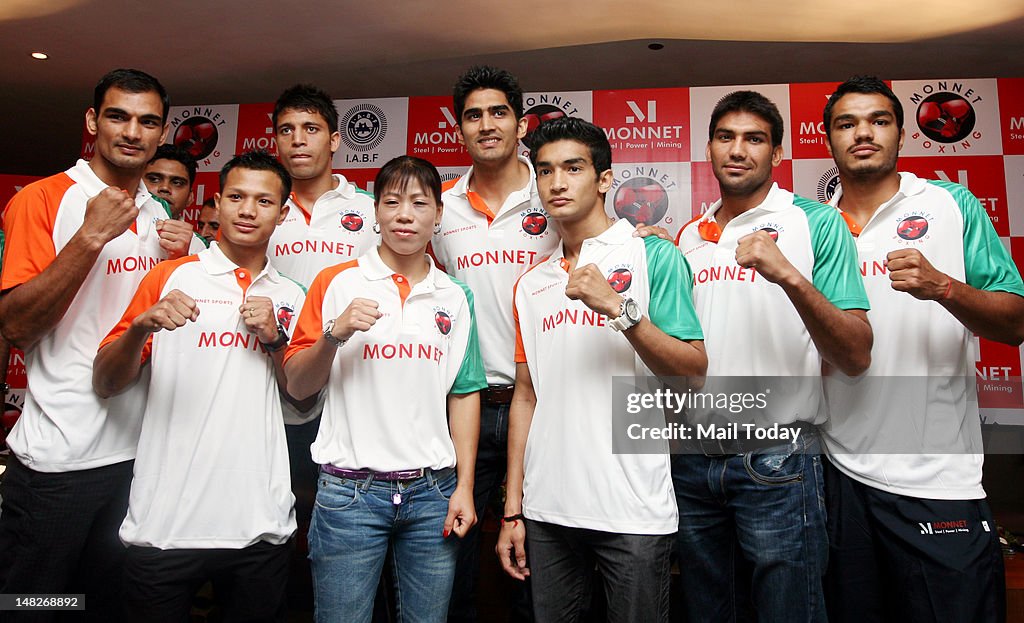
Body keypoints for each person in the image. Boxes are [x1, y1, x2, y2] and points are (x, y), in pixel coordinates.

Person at [820, 76, 1024, 623]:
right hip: (839, 474)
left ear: (902, 134)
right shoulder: (811, 226)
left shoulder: (949, 204)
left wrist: (946, 287)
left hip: (937, 475)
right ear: (828, 139)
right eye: (847, 123)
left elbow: (1016, 322)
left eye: (878, 121)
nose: (863, 133)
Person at [0, 68, 201, 620]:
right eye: (118, 116)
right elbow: (17, 326)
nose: (132, 132)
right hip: (60, 461)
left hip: (139, 458)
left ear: (162, 134)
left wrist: (187, 259)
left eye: (148, 121)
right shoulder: (44, 199)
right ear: (93, 122)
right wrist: (90, 237)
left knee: (104, 606)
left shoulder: (159, 215)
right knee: (36, 605)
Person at [672, 90, 872, 622]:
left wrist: (787, 273)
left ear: (777, 154)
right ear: (709, 149)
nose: (738, 150)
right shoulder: (689, 235)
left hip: (777, 459)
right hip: (692, 462)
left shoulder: (815, 222)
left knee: (791, 612)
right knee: (707, 611)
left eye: (754, 139)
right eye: (725, 137)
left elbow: (856, 352)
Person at [497, 117, 707, 623]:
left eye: (573, 168)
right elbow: (526, 396)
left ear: (605, 179)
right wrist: (513, 508)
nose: (557, 183)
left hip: (632, 508)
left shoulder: (652, 254)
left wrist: (621, 310)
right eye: (545, 171)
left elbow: (693, 372)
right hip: (548, 510)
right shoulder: (531, 283)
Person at [92, 150, 302, 622]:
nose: (248, 210)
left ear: (282, 213)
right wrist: (139, 329)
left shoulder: (291, 296)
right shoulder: (169, 277)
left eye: (264, 201)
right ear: (217, 203)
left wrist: (274, 339)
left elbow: (302, 396)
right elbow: (105, 381)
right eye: (236, 197)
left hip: (259, 526)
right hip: (165, 526)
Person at [284, 155, 485, 623]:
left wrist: (466, 488)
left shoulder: (455, 295)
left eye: (419, 203)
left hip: (433, 492)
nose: (404, 214)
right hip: (349, 493)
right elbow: (297, 385)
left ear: (438, 214)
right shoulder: (334, 281)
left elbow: (464, 393)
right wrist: (334, 335)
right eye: (392, 201)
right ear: (375, 212)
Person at [431, 66, 558, 622]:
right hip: (464, 408)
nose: (486, 125)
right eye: (473, 115)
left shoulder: (552, 191)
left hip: (542, 406)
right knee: (447, 559)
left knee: (541, 558)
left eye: (498, 112)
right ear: (459, 128)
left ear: (521, 122)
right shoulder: (439, 207)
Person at [144, 143, 198, 218]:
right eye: (154, 179)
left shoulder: (190, 230)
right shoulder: (122, 227)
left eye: (177, 183)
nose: (165, 188)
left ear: (190, 197)